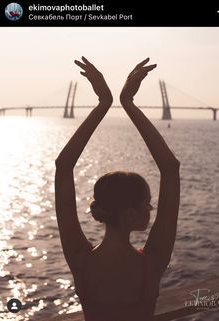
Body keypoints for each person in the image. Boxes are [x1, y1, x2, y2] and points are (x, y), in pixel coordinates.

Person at [55, 57, 180, 321]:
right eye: (146, 202)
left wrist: (104, 103)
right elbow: (170, 169)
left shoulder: (81, 261)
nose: (151, 207)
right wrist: (128, 103)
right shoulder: (152, 263)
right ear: (129, 213)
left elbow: (63, 167)